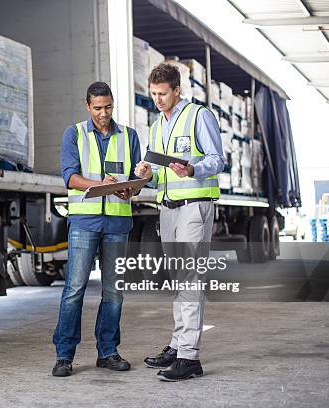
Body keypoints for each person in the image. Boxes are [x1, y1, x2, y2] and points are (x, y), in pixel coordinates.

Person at [135, 63, 224, 381]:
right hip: (168, 209)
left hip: (194, 207)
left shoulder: (199, 116)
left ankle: (189, 357)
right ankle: (178, 345)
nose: (157, 99)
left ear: (177, 90)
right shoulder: (157, 125)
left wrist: (193, 169)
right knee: (180, 280)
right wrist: (146, 173)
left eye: (162, 94)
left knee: (189, 279)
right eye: (153, 94)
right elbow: (159, 169)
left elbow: (217, 159)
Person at [52, 82, 143, 377]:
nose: (103, 114)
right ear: (87, 105)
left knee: (114, 292)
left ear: (113, 104)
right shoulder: (74, 133)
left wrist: (131, 188)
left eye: (108, 107)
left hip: (117, 223)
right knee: (74, 290)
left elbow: (134, 179)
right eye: (98, 108)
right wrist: (98, 185)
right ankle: (64, 356)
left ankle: (108, 352)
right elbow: (70, 177)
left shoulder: (129, 135)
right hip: (84, 222)